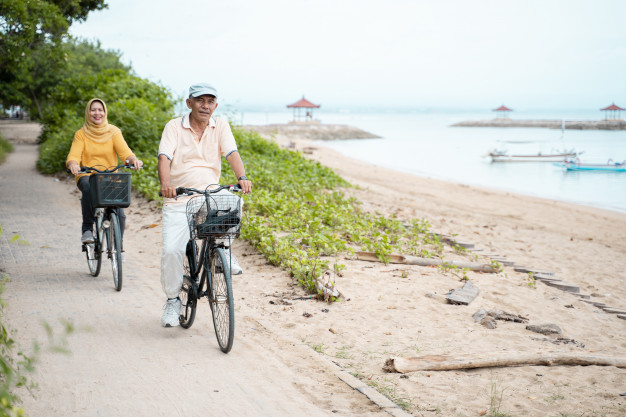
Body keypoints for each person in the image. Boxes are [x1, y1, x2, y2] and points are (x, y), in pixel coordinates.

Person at [158, 83, 252, 328]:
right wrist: (166, 184)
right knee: (171, 251)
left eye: (210, 101)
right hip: (179, 198)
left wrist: (242, 177)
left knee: (233, 201)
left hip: (207, 196)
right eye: (200, 101)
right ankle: (172, 300)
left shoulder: (220, 125)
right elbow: (164, 158)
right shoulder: (173, 126)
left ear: (215, 106)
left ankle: (223, 253)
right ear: (189, 103)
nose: (205, 106)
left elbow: (231, 153)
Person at [66, 98, 143, 244]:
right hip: (87, 174)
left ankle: (117, 246)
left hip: (109, 175)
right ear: (88, 112)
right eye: (93, 109)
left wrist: (133, 160)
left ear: (105, 112)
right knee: (88, 187)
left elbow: (125, 153)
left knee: (119, 211)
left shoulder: (113, 132)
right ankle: (87, 229)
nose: (97, 113)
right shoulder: (81, 134)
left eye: (100, 110)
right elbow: (74, 155)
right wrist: (73, 164)